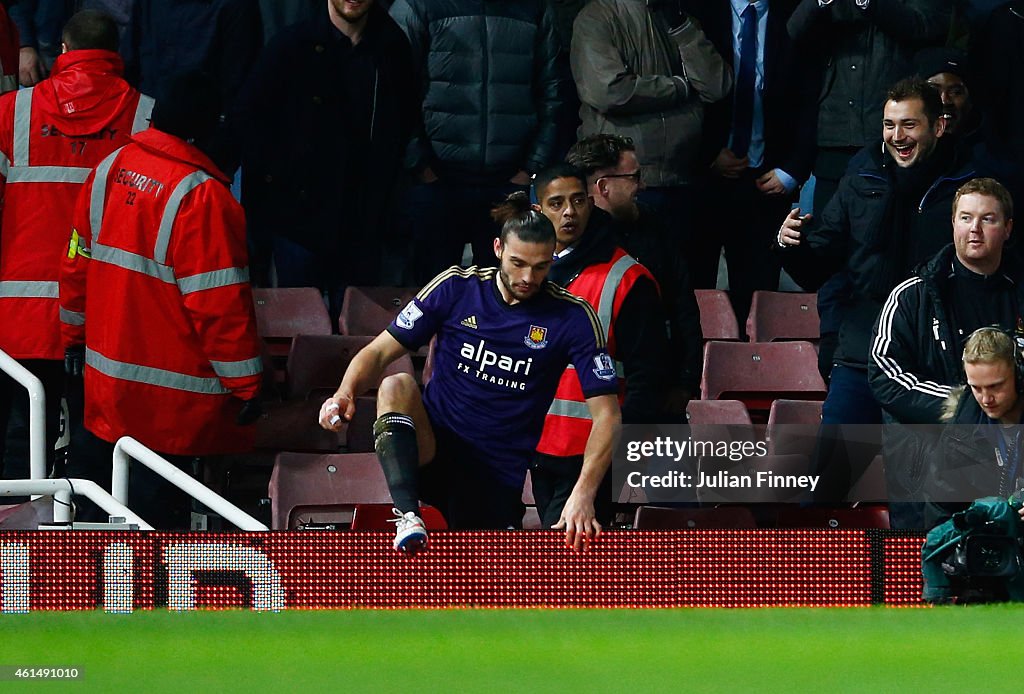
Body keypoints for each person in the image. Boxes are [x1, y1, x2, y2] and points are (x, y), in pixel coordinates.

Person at [318, 192, 621, 553]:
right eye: (518, 263)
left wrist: (583, 493)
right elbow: (380, 350)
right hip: (432, 452)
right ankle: (408, 515)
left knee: (482, 601)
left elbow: (608, 416)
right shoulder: (456, 287)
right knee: (396, 383)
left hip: (495, 477)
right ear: (497, 249)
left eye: (540, 266)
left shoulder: (572, 317)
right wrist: (345, 393)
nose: (528, 277)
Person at [59, 70, 262, 529]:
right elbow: (220, 308)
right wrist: (247, 386)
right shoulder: (203, 196)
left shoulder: (109, 169)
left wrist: (72, 338)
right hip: (172, 412)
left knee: (95, 533)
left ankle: (100, 601)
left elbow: (76, 263)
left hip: (105, 396)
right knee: (156, 546)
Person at [776, 77, 979, 508]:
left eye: (909, 125)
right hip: (862, 355)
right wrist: (789, 244)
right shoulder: (860, 177)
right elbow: (818, 267)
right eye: (889, 125)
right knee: (824, 490)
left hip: (934, 366)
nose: (896, 137)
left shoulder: (968, 188)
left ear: (938, 127)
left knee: (920, 504)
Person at [0, 8, 153, 481]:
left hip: (20, 317)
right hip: (106, 319)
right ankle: (99, 555)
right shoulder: (146, 115)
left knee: (19, 446)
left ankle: (14, 554)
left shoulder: (12, 111)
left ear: (63, 51)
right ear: (116, 54)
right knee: (100, 452)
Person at [235, 0, 417, 318]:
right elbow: (252, 125)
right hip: (298, 222)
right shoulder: (291, 46)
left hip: (364, 221)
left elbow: (405, 124)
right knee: (298, 330)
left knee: (357, 331)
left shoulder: (393, 48)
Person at [530, 163, 668, 528]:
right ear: (537, 212)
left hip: (596, 457)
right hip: (536, 451)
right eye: (557, 203)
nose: (569, 212)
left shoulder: (627, 279)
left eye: (578, 201)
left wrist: (618, 460)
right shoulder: (528, 277)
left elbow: (648, 379)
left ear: (592, 204)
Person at [388, 0, 564, 282]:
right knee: (429, 298)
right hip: (436, 182)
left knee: (505, 300)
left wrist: (531, 167)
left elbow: (553, 90)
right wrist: (419, 166)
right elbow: (394, 90)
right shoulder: (417, 5)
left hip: (507, 182)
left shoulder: (534, 7)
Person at [687, 0, 818, 325]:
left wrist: (793, 169)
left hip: (769, 182)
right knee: (695, 297)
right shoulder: (698, 13)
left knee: (757, 302)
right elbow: (684, 91)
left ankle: (754, 370)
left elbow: (812, 97)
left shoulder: (796, 14)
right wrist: (707, 154)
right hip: (706, 180)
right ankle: (695, 373)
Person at [570, 0, 731, 255]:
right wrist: (679, 87)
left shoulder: (680, 17)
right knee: (627, 280)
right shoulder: (597, 17)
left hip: (684, 179)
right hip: (621, 186)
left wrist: (681, 27)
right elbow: (609, 91)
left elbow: (716, 86)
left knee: (684, 284)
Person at [566, 133, 702, 417]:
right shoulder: (567, 243)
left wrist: (686, 382)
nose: (643, 184)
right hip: (590, 404)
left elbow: (684, 309)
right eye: (634, 176)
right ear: (603, 186)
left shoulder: (656, 227)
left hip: (658, 395)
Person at [927, 327, 1024, 528]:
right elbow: (939, 510)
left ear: (1019, 375)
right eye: (976, 388)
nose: (986, 399)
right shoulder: (959, 433)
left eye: (996, 386)